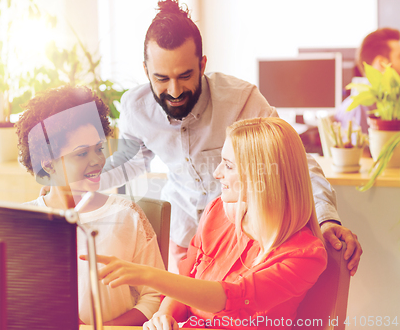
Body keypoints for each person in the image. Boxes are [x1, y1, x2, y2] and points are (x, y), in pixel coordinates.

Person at [93, 0, 361, 275]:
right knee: (180, 311)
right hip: (182, 236)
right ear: (146, 71)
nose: (174, 91)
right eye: (161, 79)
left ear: (202, 64)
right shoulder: (135, 108)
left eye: (185, 76)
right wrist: (77, 180)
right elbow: (131, 162)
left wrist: (327, 219)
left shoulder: (242, 101)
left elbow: (296, 163)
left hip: (238, 239)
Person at [88, 117, 328, 330]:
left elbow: (233, 299)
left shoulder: (305, 256)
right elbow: (187, 280)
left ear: (262, 177)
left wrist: (148, 275)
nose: (217, 173)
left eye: (229, 165)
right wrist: (164, 315)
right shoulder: (217, 212)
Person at [16, 85, 165, 325]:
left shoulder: (127, 217)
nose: (97, 160)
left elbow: (154, 295)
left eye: (99, 148)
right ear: (49, 164)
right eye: (81, 154)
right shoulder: (22, 222)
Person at [335, 27, 400, 134]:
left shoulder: (391, 101)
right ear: (382, 64)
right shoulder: (360, 108)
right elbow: (361, 151)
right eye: (399, 57)